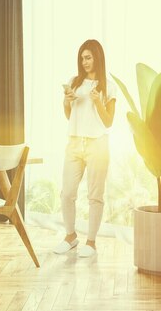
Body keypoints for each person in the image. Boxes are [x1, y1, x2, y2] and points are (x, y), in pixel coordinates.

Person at [53, 39, 116, 257]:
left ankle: (91, 242)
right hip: (74, 143)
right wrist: (66, 101)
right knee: (67, 193)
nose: (84, 61)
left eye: (88, 57)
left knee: (95, 196)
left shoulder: (108, 86)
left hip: (97, 144)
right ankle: (70, 237)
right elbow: (70, 116)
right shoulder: (75, 82)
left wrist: (98, 102)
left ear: (97, 57)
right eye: (82, 57)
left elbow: (109, 122)